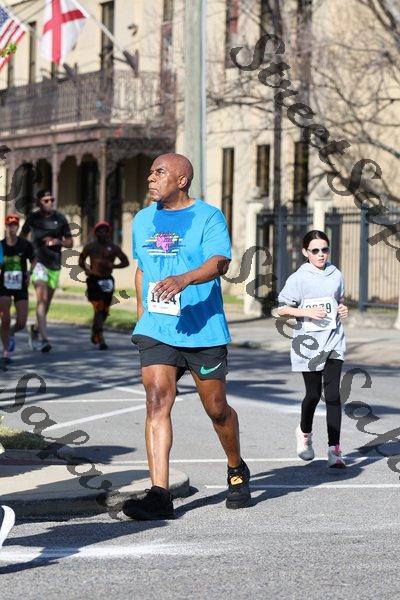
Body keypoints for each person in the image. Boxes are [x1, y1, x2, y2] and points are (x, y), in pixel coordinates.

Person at [123, 152, 251, 521]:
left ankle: (236, 466)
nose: (151, 177)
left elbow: (219, 262)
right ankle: (159, 494)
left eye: (159, 172)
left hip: (203, 328)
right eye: (150, 172)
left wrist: (184, 279)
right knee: (156, 401)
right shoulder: (143, 219)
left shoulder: (208, 216)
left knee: (217, 409)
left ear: (181, 180)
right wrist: (142, 319)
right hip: (157, 329)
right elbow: (142, 269)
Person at [277, 230, 349, 468]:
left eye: (324, 249)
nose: (321, 254)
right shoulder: (299, 278)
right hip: (309, 344)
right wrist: (305, 312)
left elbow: (338, 301)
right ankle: (304, 432)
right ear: (305, 252)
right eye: (315, 250)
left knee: (333, 395)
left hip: (334, 340)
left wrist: (342, 309)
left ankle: (334, 450)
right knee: (313, 395)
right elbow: (282, 309)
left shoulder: (335, 274)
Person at [21, 190, 73, 352]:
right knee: (42, 299)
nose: (50, 203)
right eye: (46, 200)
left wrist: (58, 241)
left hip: (55, 264)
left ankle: (36, 328)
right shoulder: (33, 218)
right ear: (39, 202)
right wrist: (26, 252)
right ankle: (44, 339)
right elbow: (22, 237)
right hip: (38, 262)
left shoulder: (60, 218)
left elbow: (70, 242)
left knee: (47, 302)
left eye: (51, 200)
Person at [78, 221, 129, 350]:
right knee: (99, 307)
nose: (103, 233)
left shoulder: (114, 247)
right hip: (94, 280)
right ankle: (101, 338)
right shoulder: (90, 247)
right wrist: (86, 269)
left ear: (109, 233)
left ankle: (95, 329)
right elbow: (81, 260)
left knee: (105, 310)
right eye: (100, 231)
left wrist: (113, 266)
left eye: (105, 230)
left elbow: (125, 262)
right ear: (95, 233)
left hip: (107, 280)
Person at [0, 214, 35, 369]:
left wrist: (30, 272)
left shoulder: (25, 245)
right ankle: (6, 352)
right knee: (5, 320)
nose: (12, 228)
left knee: (21, 321)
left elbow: (34, 259)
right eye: (9, 225)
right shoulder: (1, 246)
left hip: (21, 286)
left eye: (14, 225)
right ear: (6, 227)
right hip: (4, 286)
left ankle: (11, 333)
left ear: (18, 227)